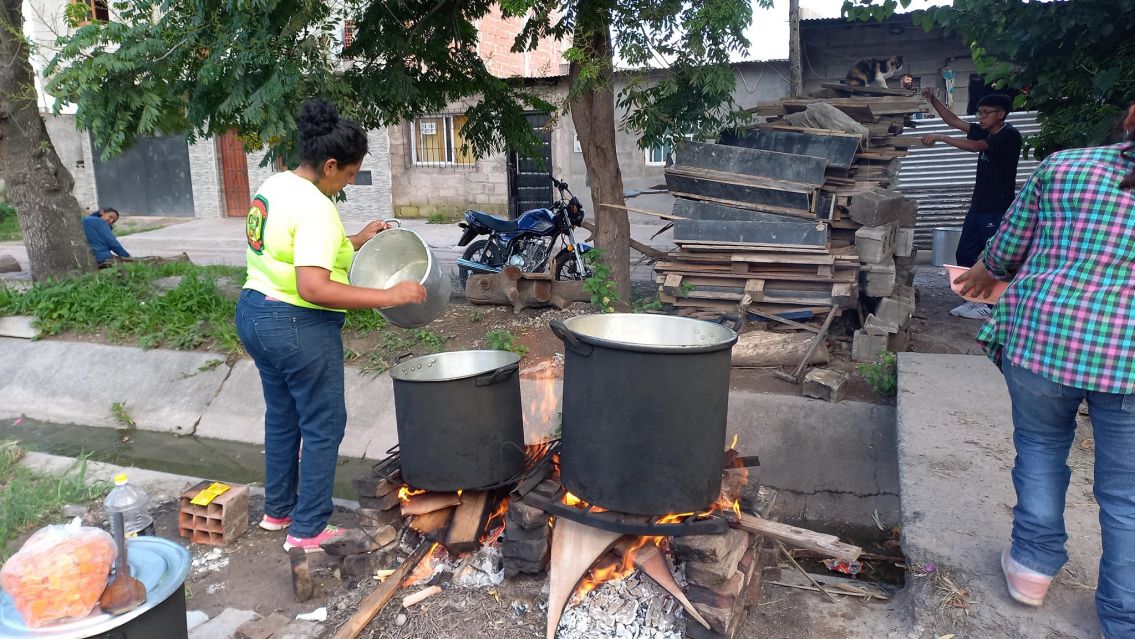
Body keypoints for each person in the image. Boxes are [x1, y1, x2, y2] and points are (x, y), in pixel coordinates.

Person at [954, 104, 1135, 639]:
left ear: (1130, 118)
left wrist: (980, 278)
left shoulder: (1065, 167)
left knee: (1039, 446)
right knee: (1126, 493)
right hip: (1128, 358)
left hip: (1045, 339)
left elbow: (1005, 252)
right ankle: (1124, 614)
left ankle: (1032, 567)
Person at [235, 99, 427, 552]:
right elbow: (314, 286)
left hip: (254, 314)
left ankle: (278, 512)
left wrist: (359, 239)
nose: (348, 183)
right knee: (324, 424)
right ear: (330, 164)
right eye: (348, 174)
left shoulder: (277, 186)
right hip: (297, 325)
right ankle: (308, 530)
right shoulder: (318, 208)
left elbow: (294, 245)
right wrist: (389, 296)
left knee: (283, 417)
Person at [921, 89, 1022, 319]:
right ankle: (976, 299)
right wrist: (933, 99)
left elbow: (978, 147)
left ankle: (992, 305)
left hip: (998, 207)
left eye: (987, 113)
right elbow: (954, 121)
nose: (981, 117)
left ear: (1001, 114)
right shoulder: (986, 130)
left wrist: (941, 138)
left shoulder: (1009, 135)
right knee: (964, 254)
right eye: (980, 113)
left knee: (995, 257)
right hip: (978, 205)